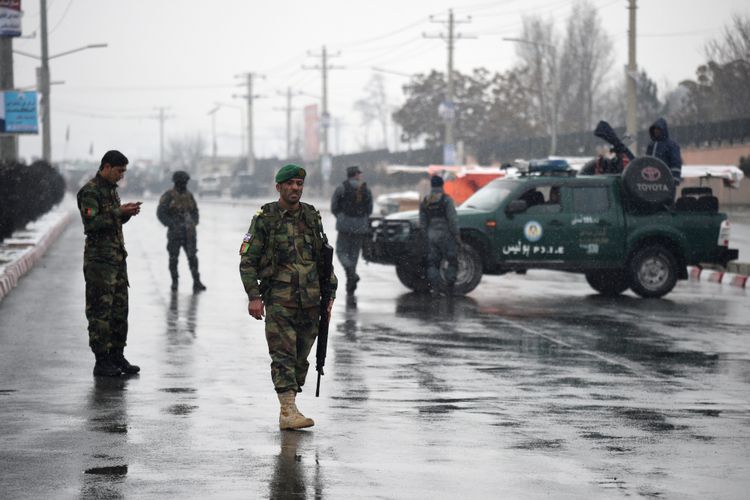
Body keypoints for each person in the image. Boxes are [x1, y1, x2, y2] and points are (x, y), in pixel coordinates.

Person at [239, 164, 337, 430]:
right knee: (282, 355)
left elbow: (323, 259)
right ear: (279, 187)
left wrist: (330, 293)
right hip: (280, 300)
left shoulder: (311, 216)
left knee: (300, 358)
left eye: (299, 183)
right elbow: (248, 260)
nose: (296, 188)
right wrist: (254, 296)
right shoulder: (265, 218)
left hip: (311, 301)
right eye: (290, 183)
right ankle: (288, 411)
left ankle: (290, 403)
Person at [77, 150, 142, 377]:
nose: (121, 176)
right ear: (106, 167)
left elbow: (112, 220)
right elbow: (92, 223)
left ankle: (117, 356)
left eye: (124, 171)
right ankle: (101, 360)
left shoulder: (112, 191)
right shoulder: (90, 192)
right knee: (100, 312)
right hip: (99, 262)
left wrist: (126, 213)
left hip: (117, 259)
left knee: (119, 311)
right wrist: (119, 212)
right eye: (119, 171)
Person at [157, 171, 206, 292]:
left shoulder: (189, 195)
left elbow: (195, 210)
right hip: (175, 234)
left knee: (192, 258)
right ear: (176, 182)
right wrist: (170, 224)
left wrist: (194, 222)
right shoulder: (168, 195)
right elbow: (161, 212)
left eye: (185, 182)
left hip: (189, 233)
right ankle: (175, 282)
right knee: (173, 258)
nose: (184, 184)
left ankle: (196, 281)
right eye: (182, 182)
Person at [330, 165, 373, 298]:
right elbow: (369, 209)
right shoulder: (365, 189)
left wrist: (342, 218)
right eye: (359, 173)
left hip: (345, 226)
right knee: (354, 255)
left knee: (341, 251)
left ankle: (351, 274)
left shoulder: (341, 188)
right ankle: (351, 282)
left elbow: (334, 207)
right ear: (356, 174)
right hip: (360, 227)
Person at [419, 175, 460, 294]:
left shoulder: (426, 200)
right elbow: (453, 219)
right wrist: (457, 235)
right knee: (452, 260)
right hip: (446, 234)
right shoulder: (446, 200)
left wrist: (425, 234)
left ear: (432, 185)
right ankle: (449, 286)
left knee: (433, 263)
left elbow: (423, 220)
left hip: (431, 234)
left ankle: (435, 288)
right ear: (442, 185)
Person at [646, 117, 683, 184]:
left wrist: (675, 178)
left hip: (666, 181)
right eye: (655, 129)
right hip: (651, 181)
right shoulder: (651, 145)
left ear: (663, 130)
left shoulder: (672, 145)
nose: (656, 131)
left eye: (658, 129)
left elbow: (676, 162)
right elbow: (647, 162)